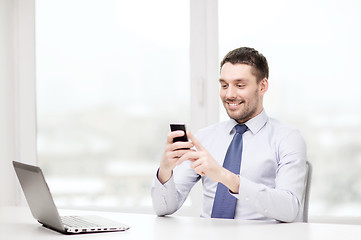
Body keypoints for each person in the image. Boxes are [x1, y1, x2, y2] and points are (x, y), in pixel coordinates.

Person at [151, 47, 307, 222]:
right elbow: (163, 208)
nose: (229, 94)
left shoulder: (287, 138)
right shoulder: (205, 138)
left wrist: (225, 177)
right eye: (224, 85)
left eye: (240, 85)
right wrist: (165, 170)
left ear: (262, 86)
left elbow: (290, 209)